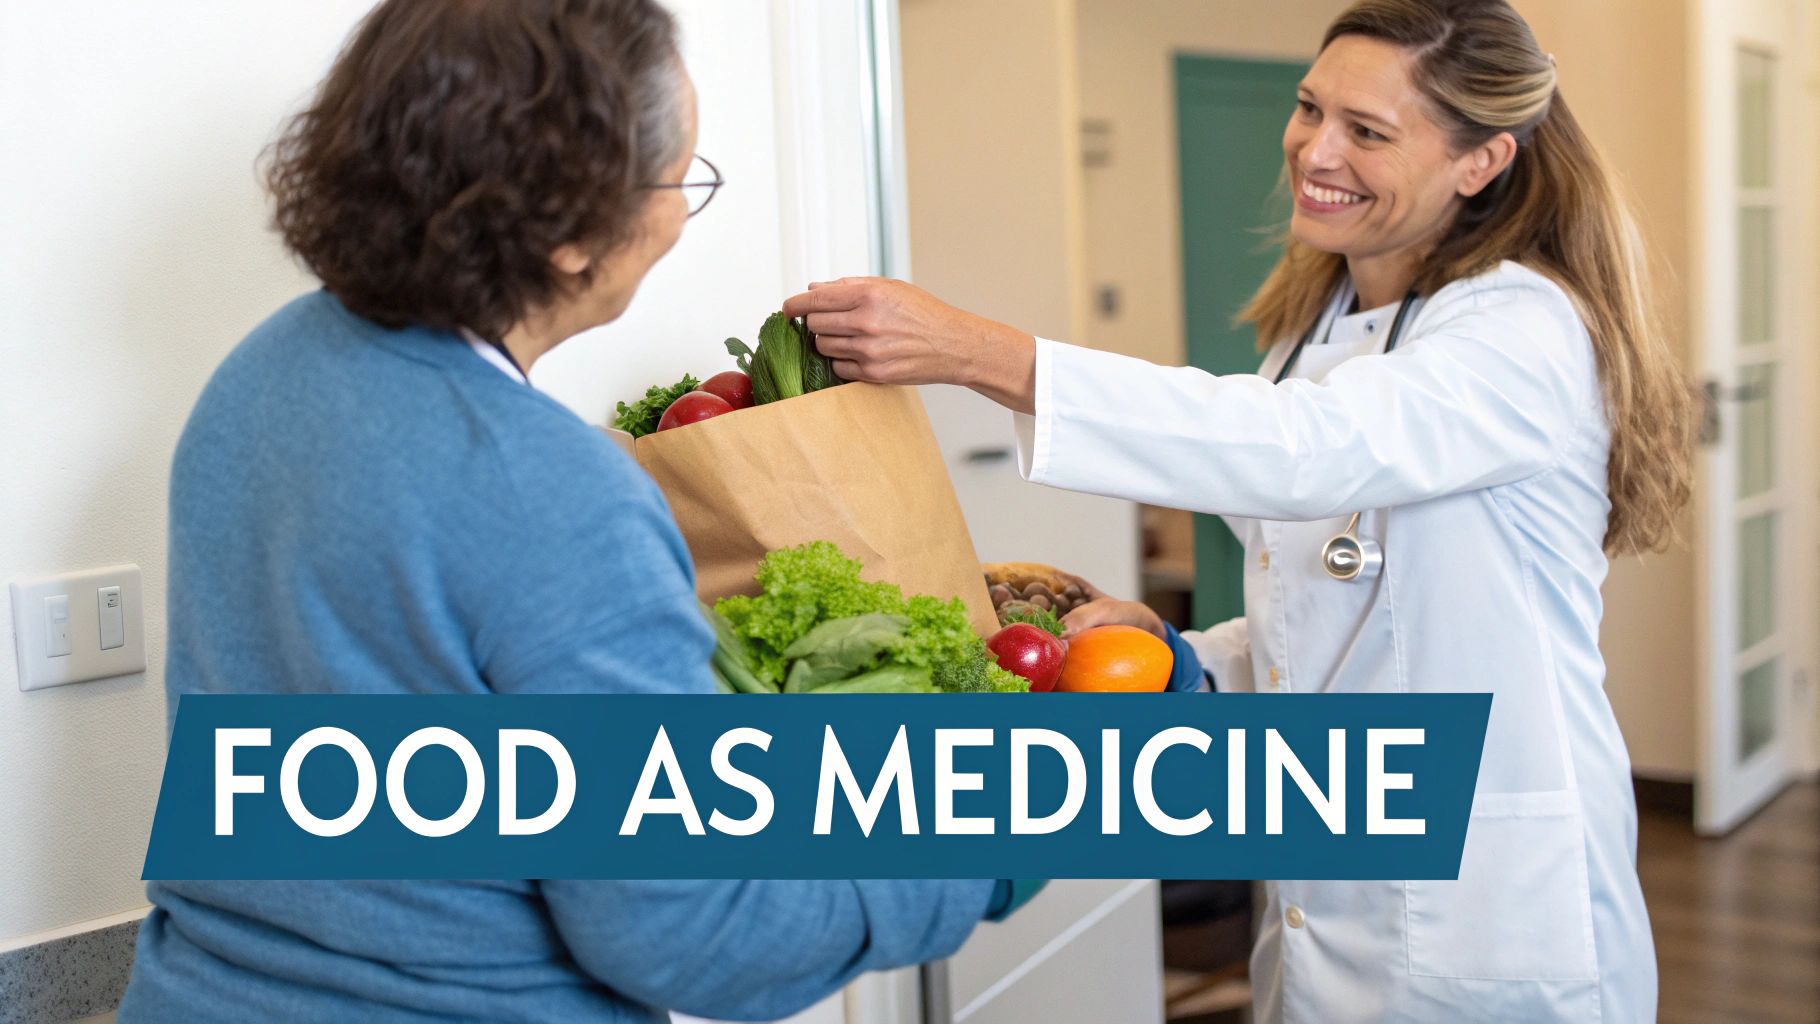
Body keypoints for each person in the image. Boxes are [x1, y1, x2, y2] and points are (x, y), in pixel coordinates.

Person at [784, 0, 1694, 1020]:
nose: (1314, 148)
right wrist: (1185, 654)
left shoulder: (1519, 331)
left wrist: (984, 355)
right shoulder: (1314, 335)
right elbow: (1325, 616)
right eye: (1310, 107)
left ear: (1478, 162)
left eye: (1366, 132)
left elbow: (1301, 451)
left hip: (1482, 895)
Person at [118, 2, 1028, 1020]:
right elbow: (703, 938)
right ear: (564, 234)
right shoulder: (550, 490)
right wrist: (994, 843)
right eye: (679, 177)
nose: (680, 214)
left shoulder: (262, 374)